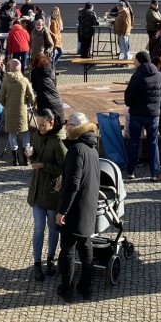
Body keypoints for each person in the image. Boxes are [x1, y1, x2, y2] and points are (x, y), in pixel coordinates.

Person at [56, 112, 100, 301]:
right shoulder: (93, 149)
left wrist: (62, 211)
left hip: (74, 210)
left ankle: (67, 290)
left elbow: (73, 184)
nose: (66, 127)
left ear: (75, 127)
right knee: (86, 248)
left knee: (68, 250)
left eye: (68, 125)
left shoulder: (76, 150)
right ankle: (87, 288)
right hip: (88, 208)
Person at [27, 108, 67, 281]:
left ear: (52, 123)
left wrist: (44, 166)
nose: (40, 127)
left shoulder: (58, 142)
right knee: (38, 229)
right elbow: (35, 157)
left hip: (51, 194)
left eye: (43, 125)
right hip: (37, 192)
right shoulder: (37, 136)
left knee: (53, 229)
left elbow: (63, 168)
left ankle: (50, 259)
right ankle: (37, 263)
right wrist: (30, 155)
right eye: (39, 124)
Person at [124, 51, 161, 182]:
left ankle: (130, 171)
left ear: (140, 61)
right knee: (153, 142)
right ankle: (155, 172)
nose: (133, 61)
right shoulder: (159, 75)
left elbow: (129, 100)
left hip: (137, 115)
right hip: (153, 115)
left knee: (133, 142)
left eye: (134, 59)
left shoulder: (137, 76)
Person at [0, 58, 36, 166]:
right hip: (22, 111)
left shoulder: (6, 81)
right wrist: (28, 103)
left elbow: (1, 98)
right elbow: (32, 97)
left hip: (10, 111)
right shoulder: (24, 80)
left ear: (10, 68)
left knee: (12, 134)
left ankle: (15, 159)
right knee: (25, 134)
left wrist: (7, 105)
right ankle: (27, 159)